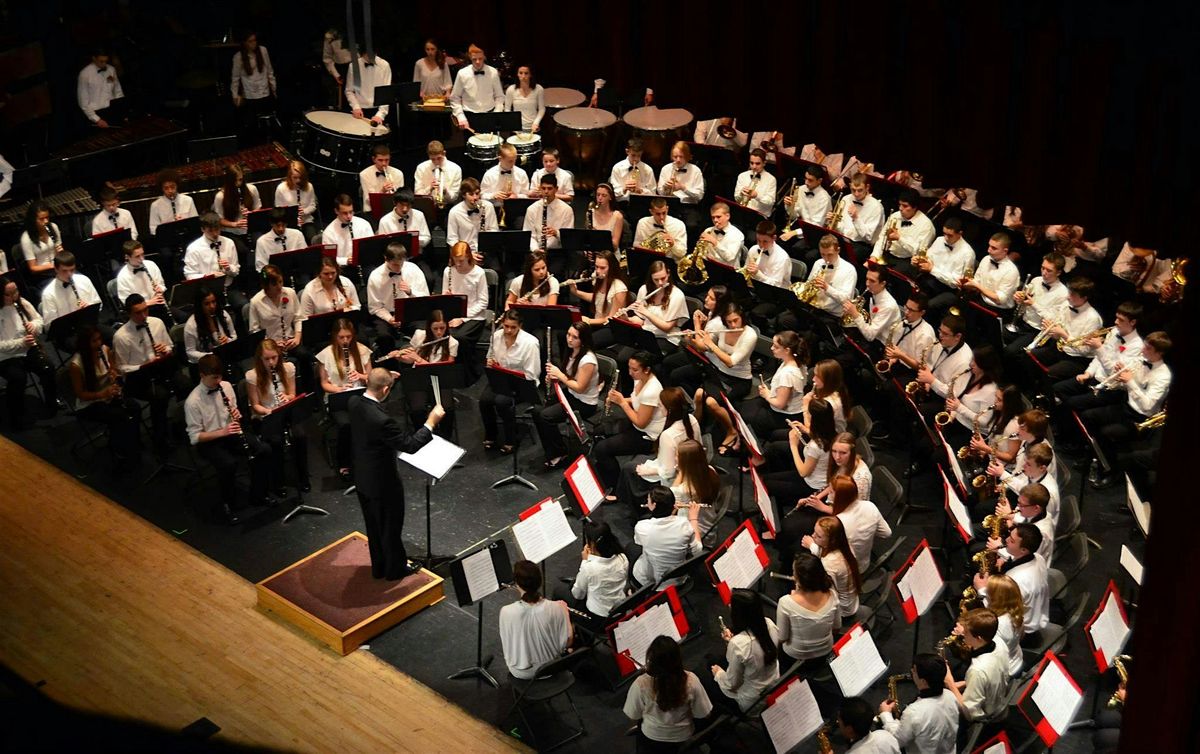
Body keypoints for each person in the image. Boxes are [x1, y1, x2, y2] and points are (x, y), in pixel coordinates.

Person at [348, 368, 443, 579]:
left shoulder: (354, 402)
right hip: (383, 482)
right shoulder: (382, 421)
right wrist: (431, 422)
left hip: (363, 477)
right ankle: (394, 570)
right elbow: (409, 445)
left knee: (374, 525)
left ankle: (380, 567)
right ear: (385, 389)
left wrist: (387, 379)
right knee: (391, 526)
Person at [186, 355, 273, 524]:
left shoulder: (225, 386)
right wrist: (222, 432)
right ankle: (226, 505)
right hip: (209, 441)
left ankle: (258, 494)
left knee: (264, 449)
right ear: (202, 376)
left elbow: (233, 412)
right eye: (214, 378)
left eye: (220, 377)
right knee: (228, 464)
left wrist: (236, 415)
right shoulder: (193, 402)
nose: (218, 382)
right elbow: (195, 437)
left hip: (230, 432)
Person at [677, 304, 758, 453]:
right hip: (719, 373)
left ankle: (732, 431)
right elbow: (702, 348)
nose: (733, 325)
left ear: (742, 317)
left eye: (736, 320)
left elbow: (731, 362)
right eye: (729, 322)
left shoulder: (750, 335)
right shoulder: (722, 327)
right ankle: (695, 431)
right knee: (698, 395)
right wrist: (690, 340)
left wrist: (710, 344)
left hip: (739, 379)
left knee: (710, 402)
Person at [624, 635, 713, 752]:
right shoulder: (691, 680)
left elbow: (633, 715)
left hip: (652, 736)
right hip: (682, 736)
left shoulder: (641, 684)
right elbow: (703, 713)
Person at [593, 351, 667, 491]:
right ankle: (604, 470)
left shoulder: (652, 390)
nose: (630, 373)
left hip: (647, 436)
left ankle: (614, 487)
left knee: (602, 449)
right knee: (599, 430)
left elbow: (641, 422)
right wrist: (617, 400)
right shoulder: (640, 379)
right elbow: (637, 401)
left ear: (647, 370)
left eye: (634, 369)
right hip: (636, 424)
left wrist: (622, 402)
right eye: (629, 368)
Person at [67, 325, 140, 461]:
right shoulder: (76, 365)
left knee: (134, 407)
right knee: (118, 416)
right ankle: (118, 450)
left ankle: (133, 443)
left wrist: (114, 375)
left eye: (99, 339)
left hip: (108, 394)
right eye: (94, 341)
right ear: (85, 344)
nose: (99, 343)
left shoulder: (105, 350)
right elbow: (81, 394)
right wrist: (102, 394)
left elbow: (114, 370)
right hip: (89, 403)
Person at [246, 338, 309, 495]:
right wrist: (268, 411)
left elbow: (292, 394)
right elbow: (255, 405)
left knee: (300, 435)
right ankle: (278, 481)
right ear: (260, 359)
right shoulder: (252, 376)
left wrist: (287, 398)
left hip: (286, 409)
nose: (271, 362)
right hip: (267, 413)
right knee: (276, 441)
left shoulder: (288, 368)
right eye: (266, 359)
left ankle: (303, 476)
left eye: (274, 357)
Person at [111, 293, 172, 449]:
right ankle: (159, 439)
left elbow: (170, 345)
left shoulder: (157, 323)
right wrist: (143, 366)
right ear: (129, 314)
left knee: (183, 384)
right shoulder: (121, 337)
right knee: (160, 396)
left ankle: (175, 426)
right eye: (138, 313)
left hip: (161, 370)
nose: (144, 315)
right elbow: (121, 368)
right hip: (138, 379)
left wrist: (166, 349)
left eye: (146, 310)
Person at [536, 322, 599, 469]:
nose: (569, 339)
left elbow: (580, 388)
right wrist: (554, 377)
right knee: (537, 410)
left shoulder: (588, 361)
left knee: (545, 416)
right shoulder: (571, 350)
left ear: (583, 340)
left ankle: (559, 453)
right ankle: (554, 446)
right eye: (568, 335)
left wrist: (560, 375)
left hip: (584, 402)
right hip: (571, 394)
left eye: (575, 337)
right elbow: (569, 377)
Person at [387, 309, 458, 437]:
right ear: (429, 326)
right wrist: (398, 357)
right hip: (419, 377)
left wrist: (418, 359)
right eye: (435, 328)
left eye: (442, 328)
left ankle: (446, 438)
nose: (439, 332)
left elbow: (447, 368)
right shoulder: (420, 335)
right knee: (418, 409)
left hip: (441, 380)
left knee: (447, 408)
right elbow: (410, 360)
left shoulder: (452, 342)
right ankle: (421, 437)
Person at [706, 588, 779, 712]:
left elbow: (732, 684)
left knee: (709, 664)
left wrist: (718, 674)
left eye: (731, 605)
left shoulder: (738, 644)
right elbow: (756, 647)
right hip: (774, 682)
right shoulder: (769, 623)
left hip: (752, 700)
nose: (729, 606)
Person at [499, 558, 573, 678]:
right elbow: (568, 642)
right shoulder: (557, 607)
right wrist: (565, 614)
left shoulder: (506, 612)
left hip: (521, 672)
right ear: (540, 582)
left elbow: (508, 644)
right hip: (551, 668)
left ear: (517, 584)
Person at [317, 318, 372, 480]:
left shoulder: (362, 351)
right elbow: (324, 383)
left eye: (348, 336)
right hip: (338, 399)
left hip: (360, 394)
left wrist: (360, 376)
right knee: (346, 424)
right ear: (335, 336)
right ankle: (345, 462)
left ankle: (368, 457)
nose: (345, 340)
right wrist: (339, 389)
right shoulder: (325, 355)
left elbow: (371, 377)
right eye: (341, 337)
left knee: (371, 418)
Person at [480, 309, 541, 453]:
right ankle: (491, 435)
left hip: (521, 383)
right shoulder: (496, 336)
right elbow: (490, 355)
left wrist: (511, 373)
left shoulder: (531, 343)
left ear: (520, 326)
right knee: (484, 400)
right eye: (506, 326)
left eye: (513, 327)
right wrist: (490, 362)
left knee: (502, 402)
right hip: (500, 378)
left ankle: (511, 439)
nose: (508, 330)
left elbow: (532, 374)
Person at [973, 523, 1049, 639]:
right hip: (1033, 616)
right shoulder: (1038, 558)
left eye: (1012, 541)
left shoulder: (1015, 580)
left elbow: (998, 610)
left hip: (1021, 632)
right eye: (1009, 535)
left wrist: (982, 589)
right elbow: (1017, 558)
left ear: (1023, 550)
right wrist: (1001, 553)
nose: (1006, 540)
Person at [878, 653, 959, 754]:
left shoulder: (914, 712)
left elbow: (898, 740)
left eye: (914, 670)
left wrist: (885, 714)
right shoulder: (950, 696)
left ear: (924, 681)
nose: (911, 671)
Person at [0, 279, 54, 427]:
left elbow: (39, 320)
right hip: (5, 357)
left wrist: (33, 326)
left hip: (27, 349)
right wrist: (21, 342)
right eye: (8, 294)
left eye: (16, 291)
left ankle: (51, 402)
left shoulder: (22, 302)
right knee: (18, 378)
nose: (14, 296)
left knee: (48, 368)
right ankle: (16, 416)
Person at [943, 608, 1010, 722]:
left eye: (966, 633)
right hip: (997, 697)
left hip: (986, 717)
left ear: (979, 638)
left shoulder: (977, 670)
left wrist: (951, 684)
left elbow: (970, 714)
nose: (963, 634)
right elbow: (992, 677)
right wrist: (966, 683)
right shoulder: (999, 642)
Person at [739, 330, 808, 440]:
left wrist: (766, 394)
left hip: (785, 415)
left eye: (776, 347)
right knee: (746, 406)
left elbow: (780, 404)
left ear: (787, 350)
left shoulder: (788, 374)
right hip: (781, 404)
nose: (771, 348)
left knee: (746, 415)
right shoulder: (795, 361)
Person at [776, 551, 842, 668]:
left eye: (794, 573)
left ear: (799, 580)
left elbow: (782, 638)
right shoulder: (832, 594)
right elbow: (837, 628)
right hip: (825, 652)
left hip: (796, 655)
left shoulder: (786, 602)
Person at [441, 242, 489, 383]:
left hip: (474, 316)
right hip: (453, 313)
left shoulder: (478, 273)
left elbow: (483, 303)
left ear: (468, 256)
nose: (458, 265)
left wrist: (462, 318)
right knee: (439, 332)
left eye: (461, 261)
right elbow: (443, 295)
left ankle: (469, 373)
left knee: (459, 337)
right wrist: (446, 296)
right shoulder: (448, 271)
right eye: (456, 261)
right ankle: (449, 372)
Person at [1004, 253, 1068, 355]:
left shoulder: (1063, 293)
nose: (1044, 273)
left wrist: (1033, 304)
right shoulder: (1036, 280)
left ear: (1059, 272)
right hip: (1021, 323)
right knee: (995, 337)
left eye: (1049, 270)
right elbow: (1024, 303)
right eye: (1043, 268)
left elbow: (1052, 321)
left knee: (1010, 351)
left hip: (1036, 331)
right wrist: (1019, 299)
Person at [183, 212, 246, 312]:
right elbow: (189, 276)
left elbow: (236, 270)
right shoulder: (193, 249)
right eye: (210, 231)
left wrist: (228, 268)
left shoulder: (229, 243)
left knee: (244, 306)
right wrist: (210, 276)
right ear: (203, 229)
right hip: (208, 293)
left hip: (228, 287)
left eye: (217, 229)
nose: (215, 234)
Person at [803, 515, 862, 619]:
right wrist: (813, 546)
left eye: (819, 536)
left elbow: (827, 592)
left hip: (843, 610)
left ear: (831, 541)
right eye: (814, 532)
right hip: (852, 598)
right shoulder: (845, 545)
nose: (813, 536)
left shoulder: (829, 564)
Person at [569, 521, 629, 620]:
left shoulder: (589, 568)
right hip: (619, 610)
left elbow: (578, 595)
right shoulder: (622, 558)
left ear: (591, 545)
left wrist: (584, 561)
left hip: (598, 616)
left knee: (561, 591)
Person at [367, 240, 429, 335]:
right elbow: (375, 307)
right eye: (395, 264)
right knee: (384, 336)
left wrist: (410, 292)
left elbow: (425, 298)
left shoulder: (413, 269)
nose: (399, 268)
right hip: (387, 313)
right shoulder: (375, 276)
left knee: (423, 331)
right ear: (386, 259)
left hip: (409, 313)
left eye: (401, 264)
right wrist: (389, 318)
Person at [566, 250, 628, 338]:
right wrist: (575, 292)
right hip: (598, 323)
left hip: (611, 328)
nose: (598, 271)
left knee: (585, 341)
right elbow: (598, 298)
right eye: (596, 267)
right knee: (566, 335)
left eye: (603, 268)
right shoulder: (598, 279)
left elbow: (612, 319)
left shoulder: (619, 289)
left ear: (612, 267)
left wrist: (589, 321)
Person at [39, 252, 102, 334]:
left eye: (72, 270)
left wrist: (89, 307)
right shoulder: (48, 293)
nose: (69, 274)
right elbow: (49, 326)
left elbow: (99, 304)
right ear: (56, 269)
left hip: (90, 325)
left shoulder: (84, 280)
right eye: (64, 271)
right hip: (68, 333)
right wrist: (73, 316)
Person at [248, 265, 303, 361]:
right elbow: (254, 331)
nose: (279, 286)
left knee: (306, 356)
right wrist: (271, 344)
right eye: (274, 284)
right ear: (265, 285)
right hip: (270, 347)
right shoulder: (256, 302)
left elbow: (299, 318)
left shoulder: (290, 293)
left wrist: (297, 338)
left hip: (291, 341)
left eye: (280, 282)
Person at [230, 31, 275, 140]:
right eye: (250, 41)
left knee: (266, 124)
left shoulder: (263, 50)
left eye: (255, 40)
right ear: (245, 43)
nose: (253, 43)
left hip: (264, 92)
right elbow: (235, 78)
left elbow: (269, 71)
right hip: (250, 94)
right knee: (251, 125)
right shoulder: (238, 57)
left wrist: (273, 88)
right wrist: (235, 95)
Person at [981, 574, 1027, 678]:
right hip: (1016, 659)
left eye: (988, 592)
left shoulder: (997, 623)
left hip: (1005, 672)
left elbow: (990, 654)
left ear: (995, 598)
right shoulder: (1015, 609)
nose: (985, 593)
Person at [445, 178, 499, 266]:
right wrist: (468, 254)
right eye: (471, 194)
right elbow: (452, 239)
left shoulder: (488, 206)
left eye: (477, 193)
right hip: (464, 254)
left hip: (485, 252)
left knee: (496, 271)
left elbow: (494, 230)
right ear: (463, 195)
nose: (475, 197)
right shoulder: (455, 212)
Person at [450, 45, 504, 129]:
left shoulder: (493, 72)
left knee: (490, 141)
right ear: (470, 58)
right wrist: (460, 117)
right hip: (469, 116)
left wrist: (496, 114)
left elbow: (499, 96)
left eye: (480, 58)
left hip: (490, 115)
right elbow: (454, 97)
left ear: (484, 57)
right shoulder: (462, 73)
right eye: (474, 59)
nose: (478, 62)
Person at [211, 164, 261, 253]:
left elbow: (258, 208)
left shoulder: (252, 189)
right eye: (235, 181)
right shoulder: (220, 196)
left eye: (240, 180)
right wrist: (234, 224)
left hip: (251, 228)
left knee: (260, 242)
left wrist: (251, 214)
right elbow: (219, 219)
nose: (238, 183)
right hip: (231, 231)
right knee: (242, 250)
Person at [115, 240, 169, 321]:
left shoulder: (151, 264)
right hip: (141, 313)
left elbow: (161, 284)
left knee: (182, 317)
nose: (141, 259)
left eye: (142, 254)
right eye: (137, 256)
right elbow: (127, 304)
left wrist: (160, 288)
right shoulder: (122, 277)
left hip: (159, 305)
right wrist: (147, 303)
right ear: (127, 257)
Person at [183, 286, 237, 365]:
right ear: (199, 306)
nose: (212, 306)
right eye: (207, 304)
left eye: (214, 302)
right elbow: (190, 352)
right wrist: (211, 355)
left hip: (226, 357)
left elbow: (234, 335)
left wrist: (228, 340)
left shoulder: (223, 314)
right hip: (205, 365)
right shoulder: (191, 326)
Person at [320, 194, 373, 267]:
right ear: (336, 211)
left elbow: (372, 248)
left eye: (351, 212)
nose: (349, 216)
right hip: (343, 268)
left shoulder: (364, 224)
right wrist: (346, 261)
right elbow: (329, 259)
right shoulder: (329, 232)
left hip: (364, 264)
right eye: (344, 213)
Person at [780, 165, 831, 240]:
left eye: (810, 180)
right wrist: (789, 206)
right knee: (779, 239)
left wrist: (794, 232)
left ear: (819, 181)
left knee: (793, 246)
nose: (806, 182)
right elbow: (794, 215)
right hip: (800, 225)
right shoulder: (801, 189)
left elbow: (816, 226)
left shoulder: (825, 198)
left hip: (814, 233)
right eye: (806, 178)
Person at [77, 48, 123, 128]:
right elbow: (83, 102)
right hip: (97, 114)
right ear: (94, 58)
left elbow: (118, 91)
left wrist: (122, 110)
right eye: (101, 61)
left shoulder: (111, 69)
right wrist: (97, 119)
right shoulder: (85, 74)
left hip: (113, 111)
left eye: (106, 61)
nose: (104, 64)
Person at [345, 46, 392, 125]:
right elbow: (349, 91)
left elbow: (386, 93)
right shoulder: (353, 66)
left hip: (378, 111)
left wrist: (380, 115)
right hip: (359, 110)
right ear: (362, 54)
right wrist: (356, 107)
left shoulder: (384, 65)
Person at [275, 160, 319, 242]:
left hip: (306, 220)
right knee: (293, 242)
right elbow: (278, 211)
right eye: (295, 178)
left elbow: (313, 205)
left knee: (313, 240)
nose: (298, 180)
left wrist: (304, 211)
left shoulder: (309, 186)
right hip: (288, 223)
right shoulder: (281, 188)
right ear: (289, 176)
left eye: (300, 177)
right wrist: (293, 216)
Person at [377, 190, 432, 255]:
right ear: (395, 203)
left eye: (408, 205)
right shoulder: (385, 221)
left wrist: (413, 241)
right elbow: (382, 245)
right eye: (401, 205)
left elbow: (427, 237)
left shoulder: (419, 215)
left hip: (416, 256)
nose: (405, 209)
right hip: (394, 258)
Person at [148, 169, 199, 238]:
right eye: (166, 188)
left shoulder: (188, 200)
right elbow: (153, 228)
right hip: (167, 238)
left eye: (172, 187)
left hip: (187, 235)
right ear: (162, 189)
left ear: (177, 185)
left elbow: (195, 222)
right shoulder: (155, 205)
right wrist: (165, 227)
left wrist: (184, 222)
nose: (170, 191)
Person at [19, 201, 64, 279]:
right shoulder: (26, 238)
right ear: (33, 219)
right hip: (42, 275)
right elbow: (32, 268)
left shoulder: (53, 227)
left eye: (47, 217)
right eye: (41, 219)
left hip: (58, 268)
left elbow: (60, 253)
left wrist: (60, 253)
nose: (46, 221)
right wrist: (52, 266)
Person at [254, 208, 305, 273]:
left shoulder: (297, 234)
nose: (281, 229)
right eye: (278, 225)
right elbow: (260, 267)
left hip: (297, 273)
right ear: (271, 224)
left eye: (283, 225)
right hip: (274, 277)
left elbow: (304, 259)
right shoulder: (262, 241)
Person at [413, 140, 463, 206]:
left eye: (439, 158)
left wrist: (445, 191)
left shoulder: (456, 169)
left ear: (444, 153)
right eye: (433, 159)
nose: (436, 162)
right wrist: (429, 188)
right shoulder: (421, 168)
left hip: (448, 207)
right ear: (429, 156)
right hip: (428, 206)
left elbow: (454, 198)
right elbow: (417, 195)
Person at [610, 138, 658, 202]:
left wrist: (640, 191)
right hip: (622, 203)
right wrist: (624, 189)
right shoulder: (617, 168)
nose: (636, 159)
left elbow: (652, 193)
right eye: (633, 155)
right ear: (627, 151)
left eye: (639, 156)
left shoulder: (648, 169)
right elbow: (612, 193)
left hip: (641, 203)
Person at [359, 144, 404, 211]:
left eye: (387, 160)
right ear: (374, 159)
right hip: (372, 211)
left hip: (393, 210)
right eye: (380, 160)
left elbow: (402, 197)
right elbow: (368, 200)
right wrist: (382, 191)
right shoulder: (364, 174)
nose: (384, 163)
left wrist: (394, 191)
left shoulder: (398, 173)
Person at [733, 148, 777, 217]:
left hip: (760, 216)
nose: (754, 166)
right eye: (751, 163)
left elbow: (771, 202)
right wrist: (741, 194)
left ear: (764, 163)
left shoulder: (771, 179)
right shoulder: (742, 176)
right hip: (742, 212)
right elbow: (736, 199)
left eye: (757, 163)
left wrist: (757, 196)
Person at [503, 64, 545, 132]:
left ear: (530, 75)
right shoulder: (511, 89)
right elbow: (507, 109)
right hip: (517, 129)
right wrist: (512, 123)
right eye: (521, 73)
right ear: (517, 74)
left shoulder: (538, 89)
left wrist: (536, 123)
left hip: (533, 128)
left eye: (526, 73)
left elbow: (542, 109)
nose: (523, 76)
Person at [586, 182, 622, 248]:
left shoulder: (617, 216)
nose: (600, 198)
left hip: (610, 253)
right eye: (598, 195)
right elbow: (587, 238)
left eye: (604, 195)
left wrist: (598, 236)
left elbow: (615, 245)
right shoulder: (590, 213)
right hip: (594, 249)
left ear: (610, 197)